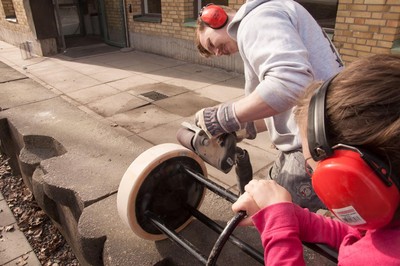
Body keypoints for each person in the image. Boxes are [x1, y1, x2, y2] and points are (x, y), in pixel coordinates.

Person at [231, 54, 400, 265]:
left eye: (313, 169)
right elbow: (356, 234)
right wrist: (286, 216)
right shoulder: (384, 222)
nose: (310, 176)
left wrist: (279, 228)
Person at [194, 0, 344, 212]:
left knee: (278, 216)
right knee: (270, 195)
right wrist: (246, 127)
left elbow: (290, 84)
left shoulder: (256, 20)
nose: (217, 53)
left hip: (315, 143)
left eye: (211, 44)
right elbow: (292, 98)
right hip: (317, 136)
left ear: (216, 17)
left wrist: (221, 117)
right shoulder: (271, 16)